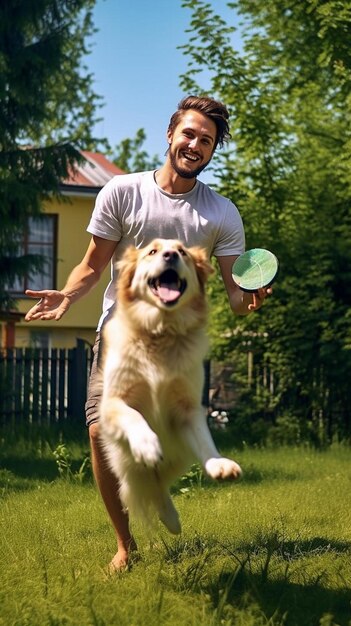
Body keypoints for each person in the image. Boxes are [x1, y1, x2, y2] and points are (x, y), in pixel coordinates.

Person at [25, 95, 272, 571]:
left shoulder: (221, 214)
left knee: (171, 430)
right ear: (170, 135)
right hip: (122, 334)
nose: (196, 144)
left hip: (179, 343)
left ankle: (157, 489)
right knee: (100, 429)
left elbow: (234, 297)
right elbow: (93, 265)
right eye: (190, 134)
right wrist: (66, 297)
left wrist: (252, 297)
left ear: (212, 150)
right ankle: (125, 545)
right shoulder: (122, 191)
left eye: (207, 140)